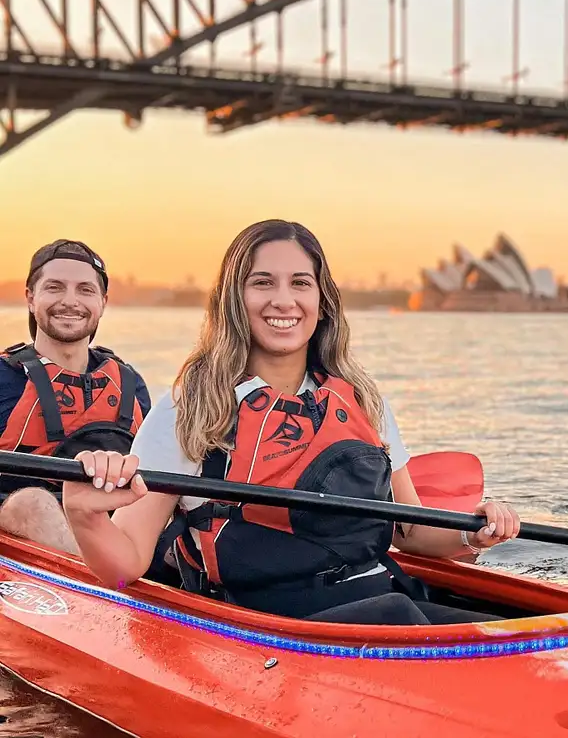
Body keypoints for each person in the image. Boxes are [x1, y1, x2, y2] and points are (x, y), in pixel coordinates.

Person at [63, 220, 521, 626]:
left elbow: (412, 531)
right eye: (262, 282)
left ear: (322, 301)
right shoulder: (192, 406)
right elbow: (125, 566)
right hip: (270, 627)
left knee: (534, 628)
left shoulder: (362, 399)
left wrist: (471, 529)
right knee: (398, 616)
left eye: (300, 283)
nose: (284, 300)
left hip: (380, 596)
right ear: (233, 300)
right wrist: (84, 515)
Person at [0, 239, 151, 555]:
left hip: (110, 518)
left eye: (85, 290)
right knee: (33, 503)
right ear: (30, 298)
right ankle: (105, 591)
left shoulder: (130, 383)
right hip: (22, 518)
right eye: (55, 287)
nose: (70, 301)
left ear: (103, 302)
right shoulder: (4, 376)